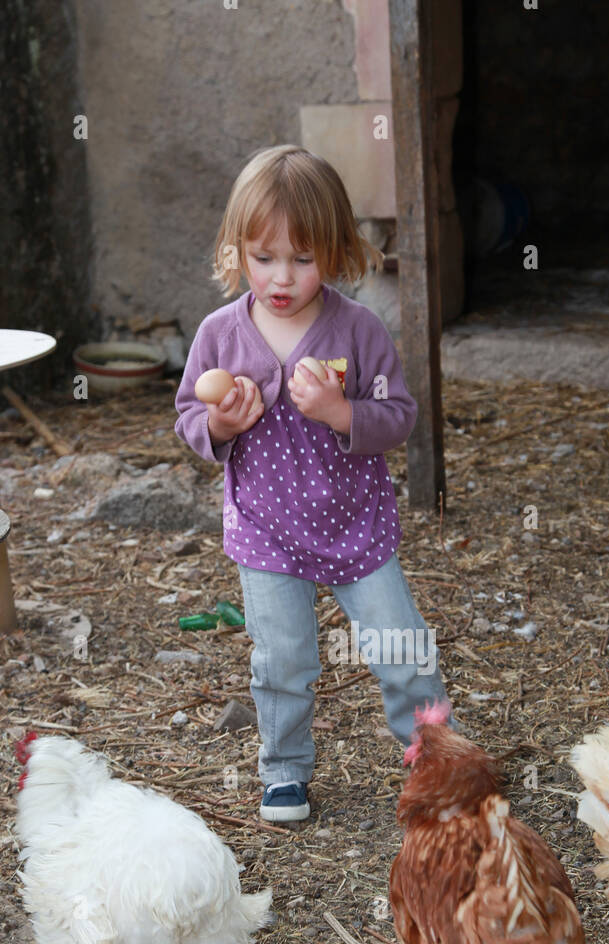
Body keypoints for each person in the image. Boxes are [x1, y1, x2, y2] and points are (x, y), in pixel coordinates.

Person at [175, 145, 455, 823]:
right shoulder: (219, 335)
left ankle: (439, 766)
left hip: (356, 527)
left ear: (335, 253)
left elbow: (399, 416)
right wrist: (220, 426)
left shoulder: (357, 330)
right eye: (263, 256)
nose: (280, 277)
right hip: (266, 532)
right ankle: (285, 771)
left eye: (302, 259)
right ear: (236, 249)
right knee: (284, 660)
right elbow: (188, 414)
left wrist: (340, 413)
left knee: (402, 647)